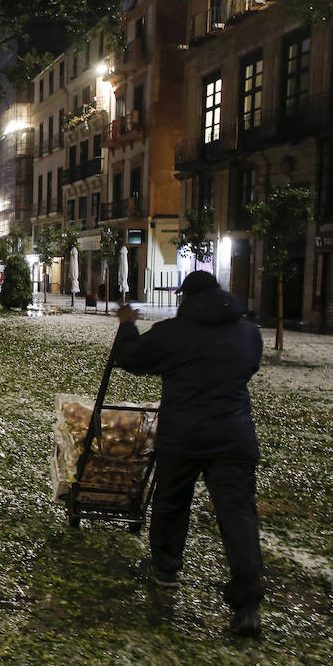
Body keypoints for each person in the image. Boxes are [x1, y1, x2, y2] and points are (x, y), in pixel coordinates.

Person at [113, 270, 264, 637]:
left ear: (187, 298)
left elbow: (130, 358)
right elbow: (250, 366)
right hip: (233, 436)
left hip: (184, 436)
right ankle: (247, 604)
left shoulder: (173, 333)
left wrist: (128, 325)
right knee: (238, 517)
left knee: (172, 502)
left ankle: (166, 569)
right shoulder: (249, 333)